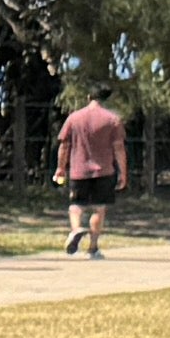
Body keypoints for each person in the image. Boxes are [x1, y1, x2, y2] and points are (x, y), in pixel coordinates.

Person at [56, 85, 128, 258]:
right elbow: (119, 148)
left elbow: (64, 145)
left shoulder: (74, 118)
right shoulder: (112, 120)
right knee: (99, 209)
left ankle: (76, 229)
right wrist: (123, 172)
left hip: (78, 170)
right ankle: (93, 248)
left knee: (76, 206)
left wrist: (60, 168)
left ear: (89, 97)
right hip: (104, 171)